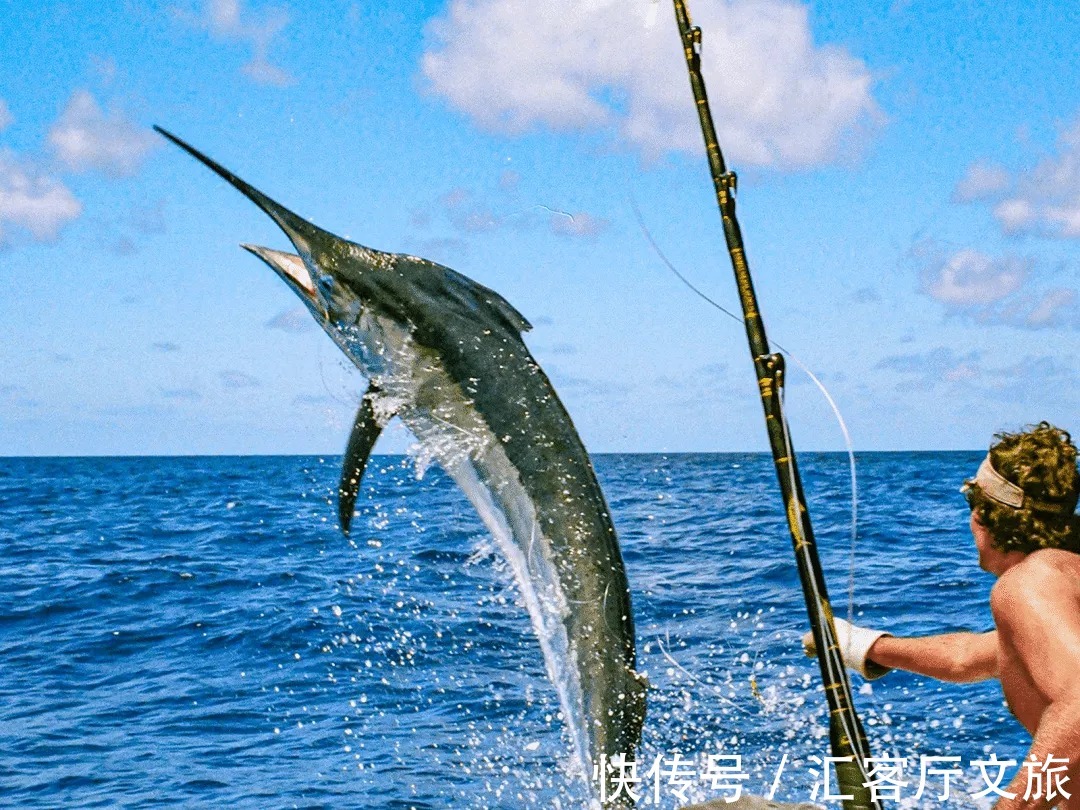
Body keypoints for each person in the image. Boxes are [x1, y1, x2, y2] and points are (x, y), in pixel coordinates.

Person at [804, 422, 1080, 810]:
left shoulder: (1026, 585)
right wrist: (862, 645)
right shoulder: (1065, 577)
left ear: (986, 515)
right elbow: (966, 657)